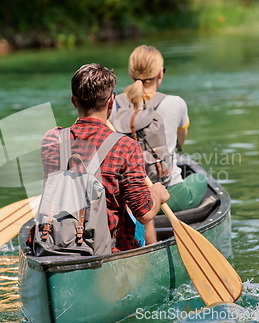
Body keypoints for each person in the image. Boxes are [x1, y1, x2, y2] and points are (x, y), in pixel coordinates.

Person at [28, 63, 169, 252]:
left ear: (73, 101)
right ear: (111, 102)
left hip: (54, 244)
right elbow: (143, 213)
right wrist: (157, 195)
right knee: (144, 215)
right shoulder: (126, 147)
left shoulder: (52, 140)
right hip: (107, 250)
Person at [110, 45, 207, 212]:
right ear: (160, 73)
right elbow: (179, 143)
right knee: (200, 178)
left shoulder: (112, 104)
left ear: (131, 73)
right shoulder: (175, 103)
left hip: (129, 199)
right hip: (168, 195)